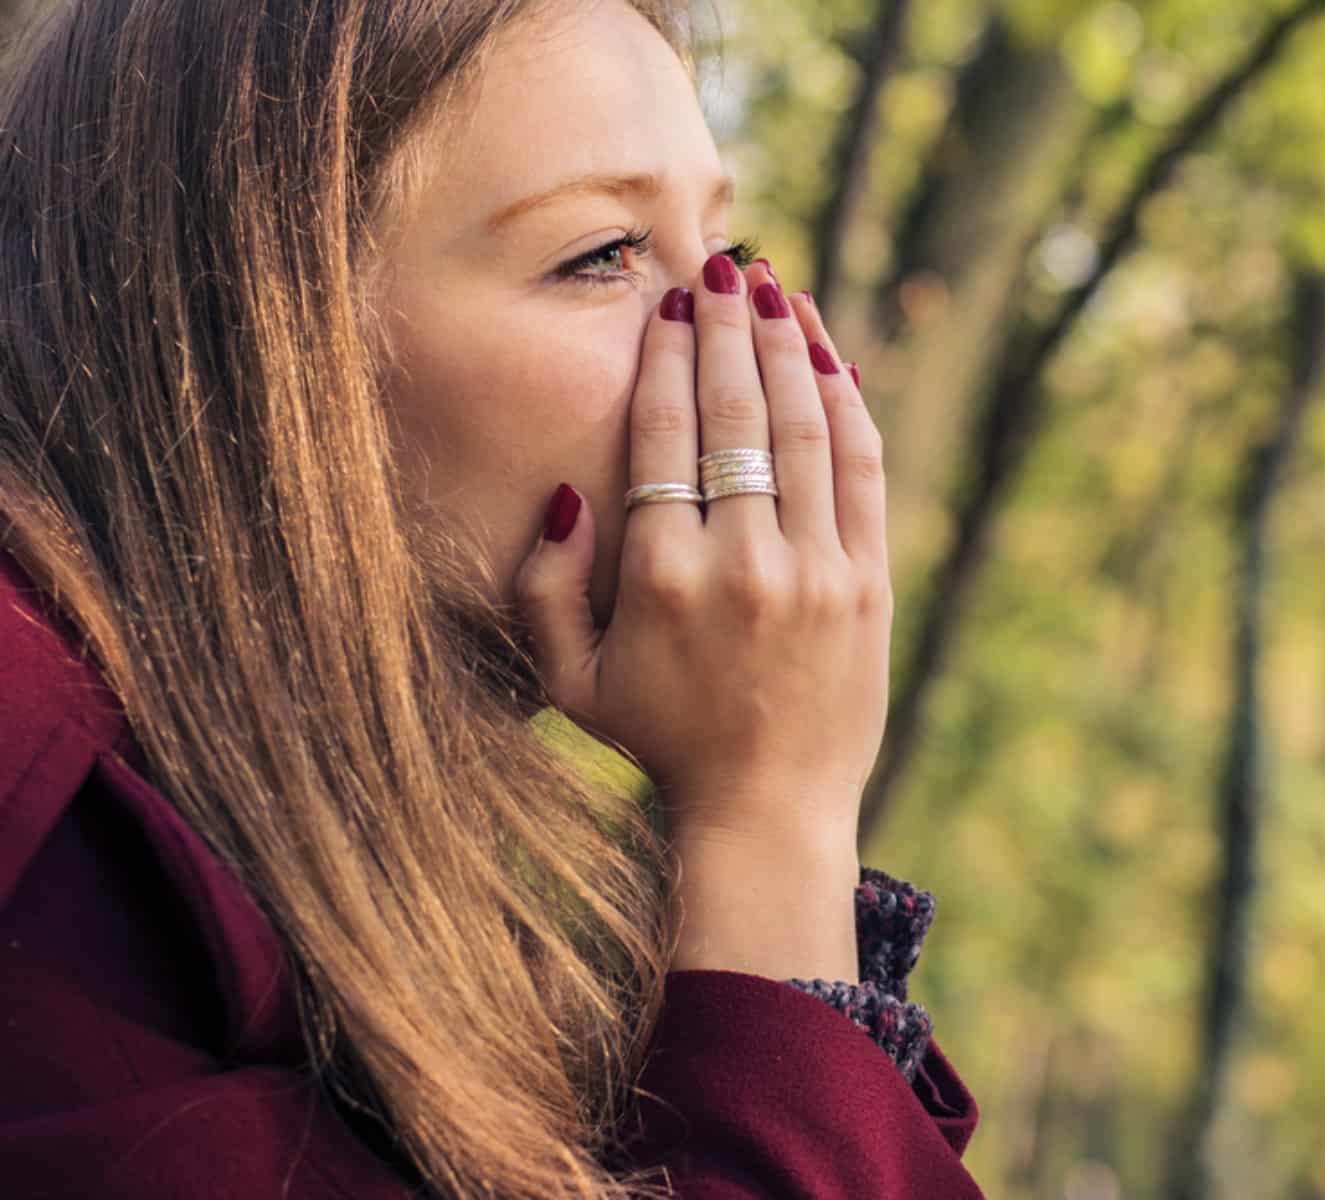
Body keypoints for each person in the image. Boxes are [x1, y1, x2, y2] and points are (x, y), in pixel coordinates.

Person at [0, 0, 985, 1196]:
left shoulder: (358, 876)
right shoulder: (52, 856)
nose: (744, 348)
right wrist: (766, 813)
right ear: (257, 348)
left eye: (735, 258)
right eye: (604, 254)